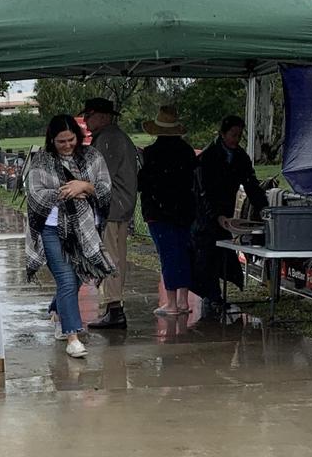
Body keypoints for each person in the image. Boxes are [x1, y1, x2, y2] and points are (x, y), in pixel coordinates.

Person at [25, 114, 117, 359]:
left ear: (78, 135)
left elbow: (105, 189)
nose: (67, 145)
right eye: (61, 141)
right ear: (51, 140)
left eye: (70, 139)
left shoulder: (92, 157)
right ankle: (73, 336)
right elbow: (34, 194)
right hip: (52, 229)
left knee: (77, 279)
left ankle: (57, 310)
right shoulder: (41, 161)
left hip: (85, 230)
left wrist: (84, 186)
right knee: (66, 279)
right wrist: (65, 191)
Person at [193, 115, 268, 313]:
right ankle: (211, 295)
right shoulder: (208, 157)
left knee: (222, 255)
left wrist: (264, 207)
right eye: (233, 135)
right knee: (206, 253)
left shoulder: (240, 157)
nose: (236, 139)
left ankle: (215, 295)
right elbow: (203, 191)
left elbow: (251, 185)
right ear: (223, 134)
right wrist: (215, 215)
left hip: (224, 213)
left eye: (239, 135)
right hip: (204, 213)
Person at [81, 97, 139, 329]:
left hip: (112, 208)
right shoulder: (111, 137)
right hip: (117, 206)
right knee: (114, 255)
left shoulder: (109, 139)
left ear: (104, 116)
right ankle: (113, 307)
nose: (85, 119)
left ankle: (115, 308)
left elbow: (97, 177)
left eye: (90, 114)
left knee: (111, 257)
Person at [138, 106, 197, 315]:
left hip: (158, 212)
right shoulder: (187, 151)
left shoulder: (152, 153)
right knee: (182, 252)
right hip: (184, 210)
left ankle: (171, 302)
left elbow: (143, 182)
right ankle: (183, 300)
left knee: (167, 255)